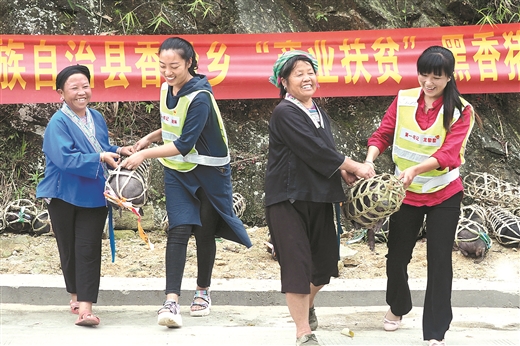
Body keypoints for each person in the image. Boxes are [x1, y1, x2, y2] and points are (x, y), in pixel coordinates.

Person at [120, 37, 252, 328]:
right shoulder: (167, 87)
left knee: (204, 232)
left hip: (209, 172)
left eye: (174, 66)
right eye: (162, 66)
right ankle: (171, 301)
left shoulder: (201, 96)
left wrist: (143, 154)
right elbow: (172, 122)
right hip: (177, 171)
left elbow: (183, 142)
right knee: (178, 230)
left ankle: (203, 290)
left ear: (190, 63)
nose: (167, 72)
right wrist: (150, 138)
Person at [364, 46, 481, 346]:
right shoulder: (403, 99)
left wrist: (416, 169)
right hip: (405, 194)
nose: (429, 82)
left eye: (437, 77)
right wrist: (370, 159)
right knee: (397, 257)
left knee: (439, 260)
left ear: (449, 78)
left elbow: (449, 154)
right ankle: (399, 306)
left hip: (444, 194)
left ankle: (435, 333)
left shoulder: (461, 111)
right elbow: (383, 133)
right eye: (424, 74)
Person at [264, 50, 375, 346]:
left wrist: (342, 173)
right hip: (287, 198)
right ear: (284, 82)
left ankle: (307, 305)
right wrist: (353, 166)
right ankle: (304, 332)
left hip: (320, 197)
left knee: (324, 268)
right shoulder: (284, 112)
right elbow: (314, 150)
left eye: (310, 71)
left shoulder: (319, 113)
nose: (306, 77)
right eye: (298, 74)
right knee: (297, 264)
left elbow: (326, 152)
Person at [36, 65, 133, 326]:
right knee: (68, 249)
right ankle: (75, 295)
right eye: (74, 88)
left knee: (88, 249)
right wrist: (100, 156)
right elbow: (65, 158)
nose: (82, 92)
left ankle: (86, 309)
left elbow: (100, 146)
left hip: (93, 193)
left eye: (85, 86)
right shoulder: (58, 122)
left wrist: (118, 149)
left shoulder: (97, 117)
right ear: (61, 93)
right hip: (63, 194)